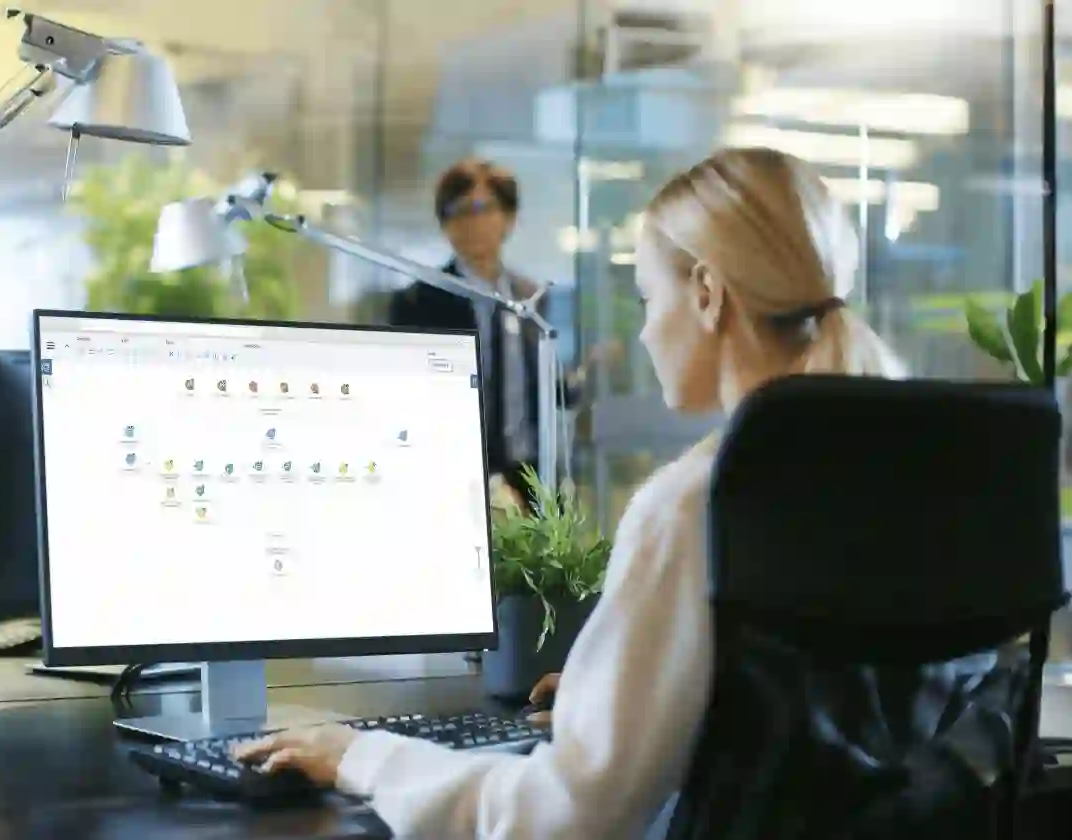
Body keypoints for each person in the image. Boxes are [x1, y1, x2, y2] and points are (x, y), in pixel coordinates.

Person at [234, 147, 909, 838]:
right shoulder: (900, 475)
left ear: (706, 294)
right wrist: (632, 702)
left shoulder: (695, 506)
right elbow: (815, 718)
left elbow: (562, 819)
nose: (645, 330)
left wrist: (362, 756)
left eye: (649, 298)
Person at [387, 159, 605, 510]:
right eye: (456, 211)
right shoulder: (418, 301)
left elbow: (551, 388)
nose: (470, 222)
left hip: (530, 473)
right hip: (454, 474)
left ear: (508, 218)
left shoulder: (530, 296)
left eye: (481, 208)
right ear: (445, 224)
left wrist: (591, 371)